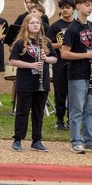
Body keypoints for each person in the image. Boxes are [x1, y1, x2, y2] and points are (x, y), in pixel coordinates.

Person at [8, 13, 56, 152]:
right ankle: (18, 139)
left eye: (37, 23)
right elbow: (13, 61)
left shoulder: (45, 41)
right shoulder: (20, 42)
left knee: (38, 112)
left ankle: (37, 140)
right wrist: (31, 66)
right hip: (26, 82)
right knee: (23, 112)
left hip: (42, 82)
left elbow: (55, 58)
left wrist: (46, 58)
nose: (35, 25)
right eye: (32, 23)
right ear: (26, 25)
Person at [61, 0, 92, 154]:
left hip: (90, 74)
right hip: (77, 74)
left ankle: (89, 140)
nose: (90, 7)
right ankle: (76, 141)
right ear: (78, 6)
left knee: (89, 110)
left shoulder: (91, 26)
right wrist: (87, 55)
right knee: (77, 110)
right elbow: (64, 54)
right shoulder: (72, 28)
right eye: (87, 4)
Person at [48, 0, 75, 131]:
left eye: (68, 8)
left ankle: (71, 120)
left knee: (74, 92)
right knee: (60, 92)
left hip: (74, 63)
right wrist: (63, 44)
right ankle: (59, 119)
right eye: (63, 8)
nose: (65, 10)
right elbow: (47, 45)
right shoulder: (55, 26)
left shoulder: (77, 25)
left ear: (73, 9)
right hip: (59, 62)